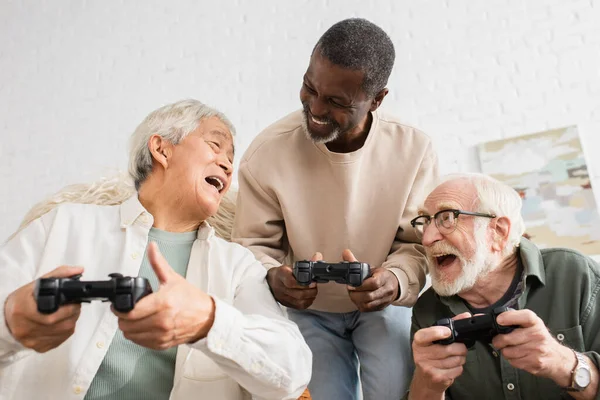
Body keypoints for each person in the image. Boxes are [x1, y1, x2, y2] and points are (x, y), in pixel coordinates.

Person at [0, 99, 312, 400]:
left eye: (231, 157)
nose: (228, 165)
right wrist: (9, 323)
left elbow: (293, 372)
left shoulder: (238, 266)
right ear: (161, 148)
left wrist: (209, 321)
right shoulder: (62, 225)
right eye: (215, 146)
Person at [232, 18, 439, 400]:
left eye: (337, 102)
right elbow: (250, 246)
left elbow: (419, 244)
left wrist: (393, 281)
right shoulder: (266, 153)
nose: (315, 108)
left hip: (383, 304)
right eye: (310, 88)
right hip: (308, 310)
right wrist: (272, 278)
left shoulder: (414, 149)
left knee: (398, 391)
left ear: (376, 99)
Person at [405, 173, 600, 400]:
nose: (427, 238)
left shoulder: (574, 274)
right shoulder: (427, 309)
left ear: (498, 231)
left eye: (447, 218)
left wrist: (563, 363)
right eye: (425, 222)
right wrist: (427, 386)